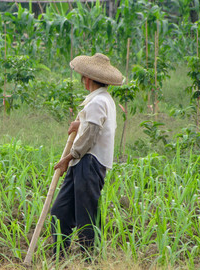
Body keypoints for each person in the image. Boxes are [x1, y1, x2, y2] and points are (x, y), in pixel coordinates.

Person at [50, 53, 123, 257]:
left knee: (86, 216)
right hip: (82, 162)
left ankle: (89, 260)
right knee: (59, 212)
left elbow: (90, 135)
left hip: (88, 162)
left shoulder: (98, 102)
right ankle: (58, 257)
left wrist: (68, 157)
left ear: (88, 79)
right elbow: (96, 126)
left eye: (82, 77)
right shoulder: (102, 99)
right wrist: (79, 123)